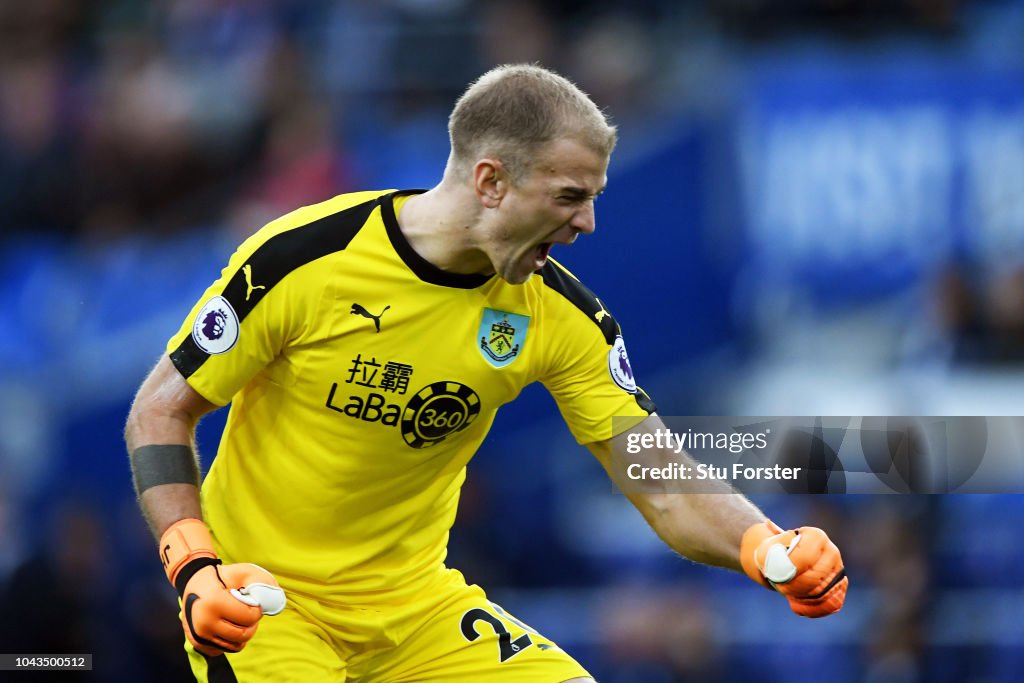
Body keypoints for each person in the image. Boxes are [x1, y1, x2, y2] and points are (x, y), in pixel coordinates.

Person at [124, 64, 848, 683]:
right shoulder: (304, 259)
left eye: (593, 196)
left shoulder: (561, 317)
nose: (587, 223)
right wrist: (194, 566)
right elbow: (159, 409)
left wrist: (765, 544)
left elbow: (658, 477)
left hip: (416, 610)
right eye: (570, 196)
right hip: (264, 603)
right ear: (491, 180)